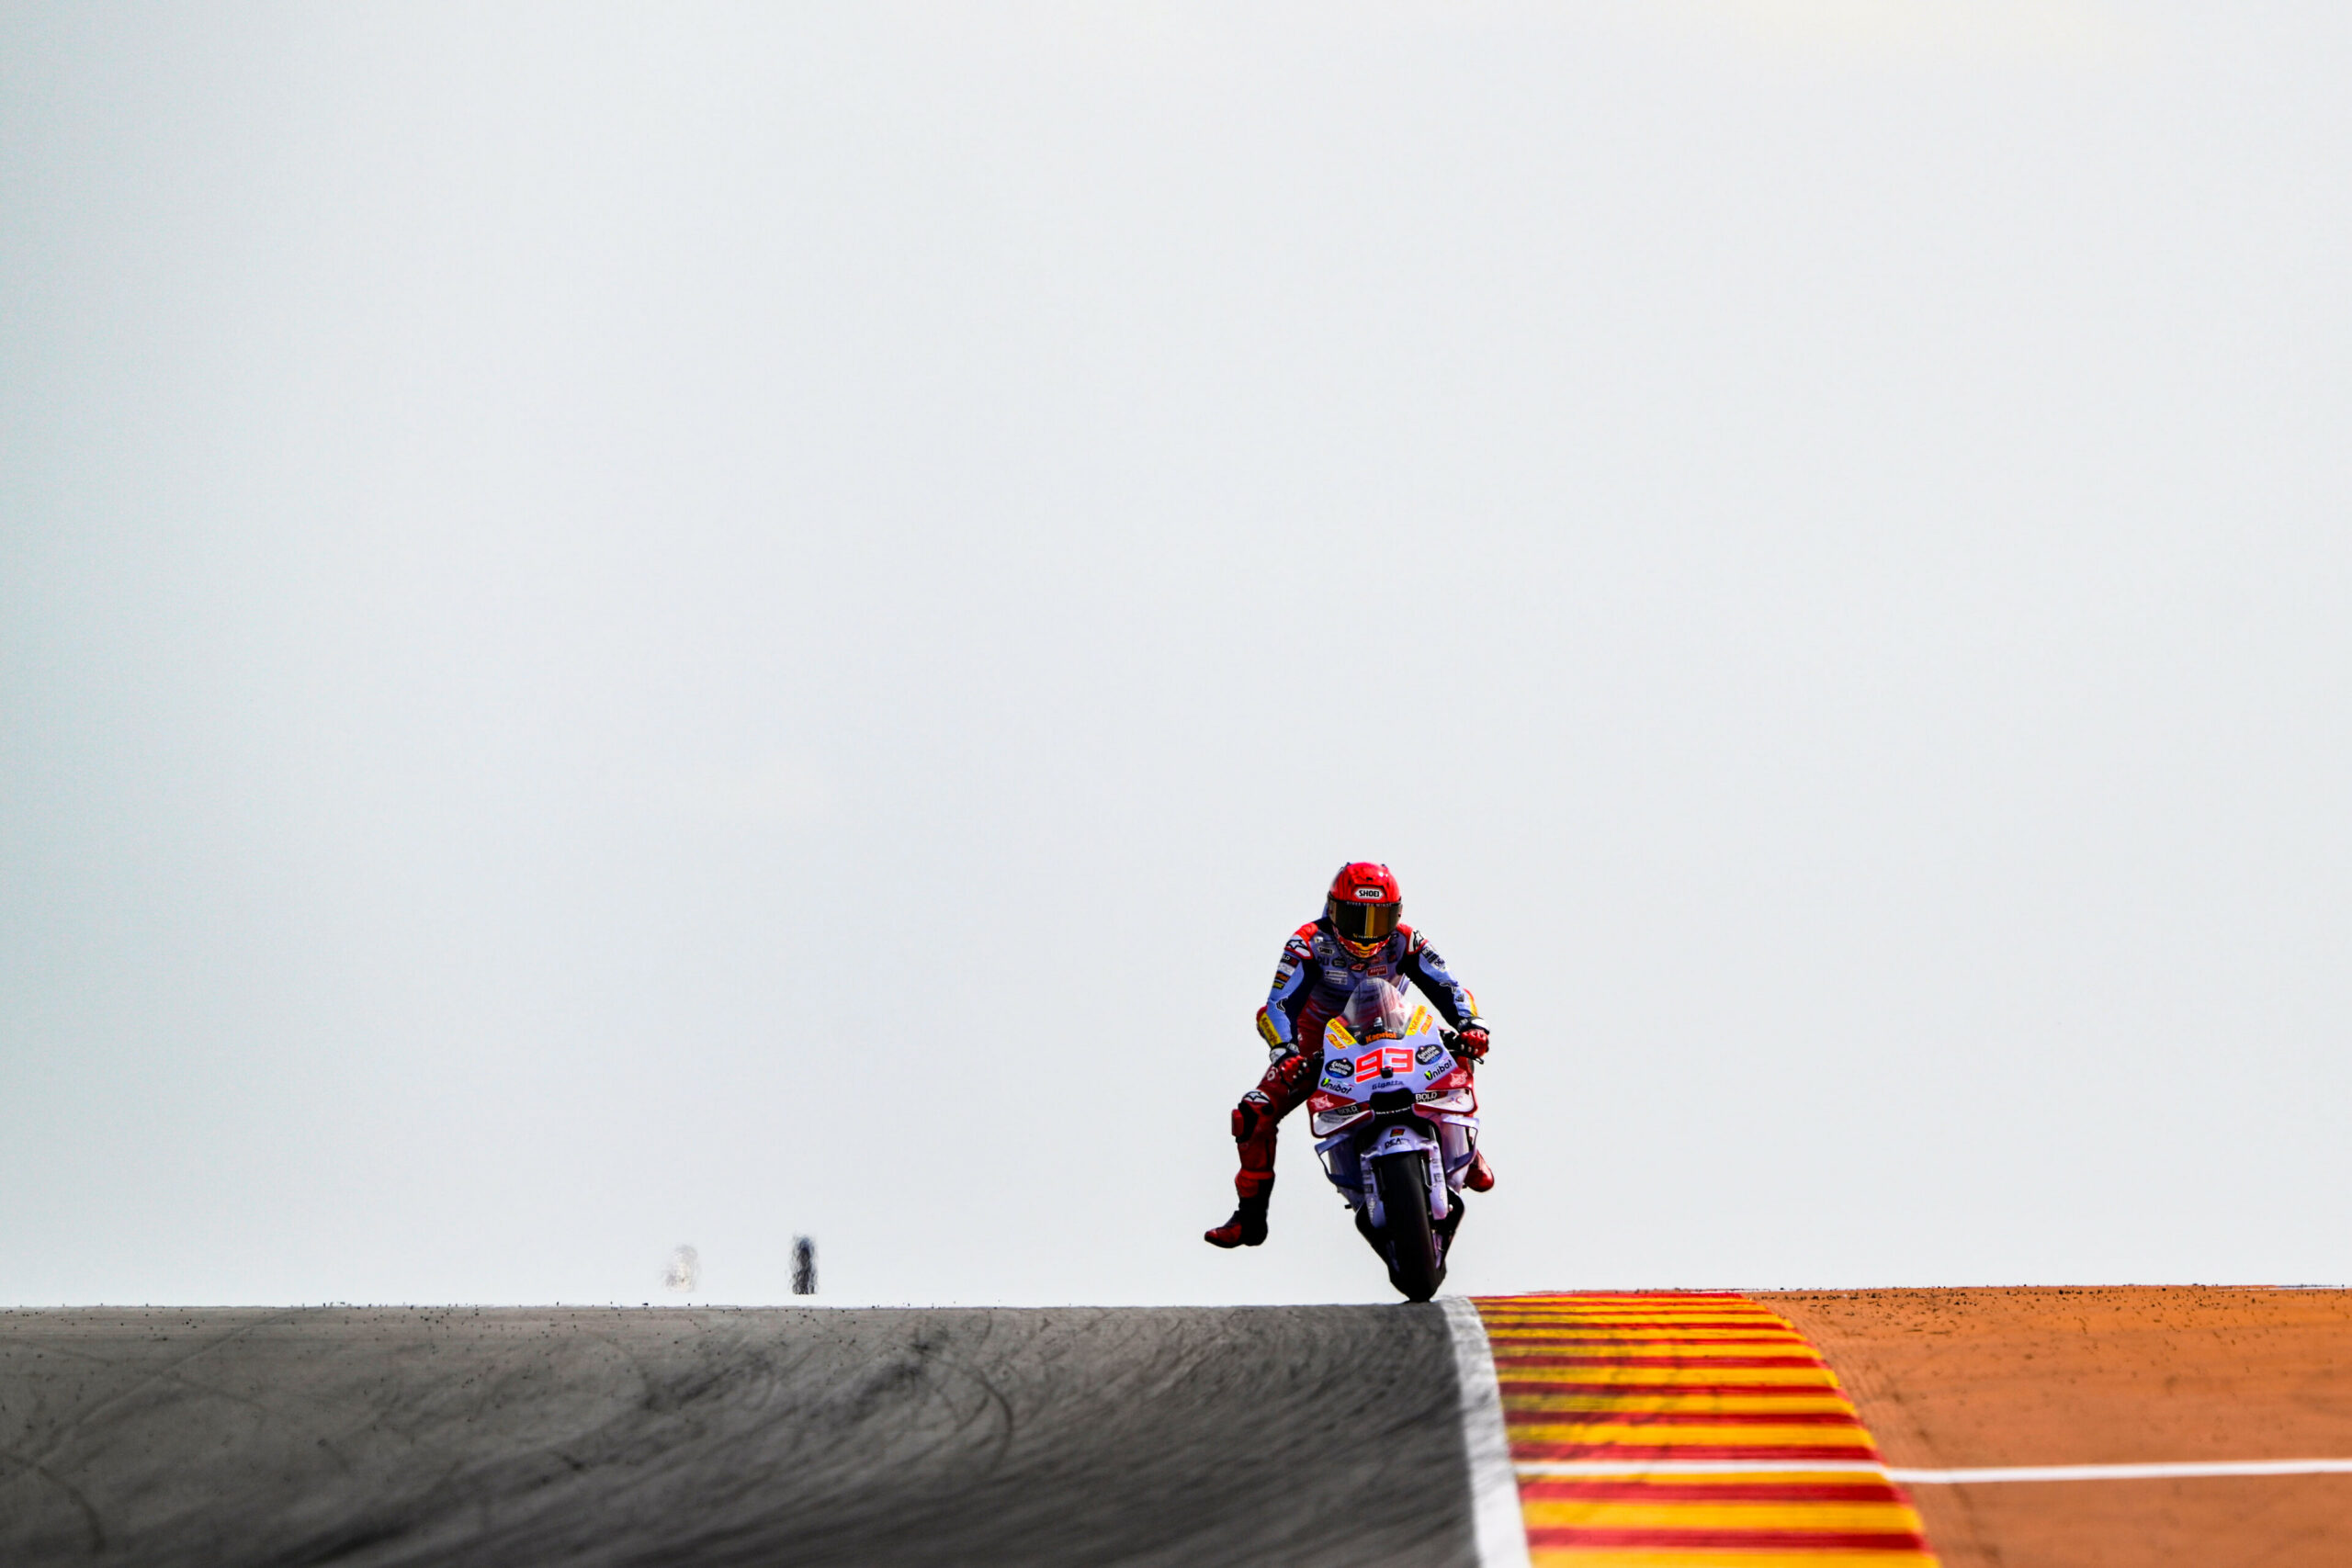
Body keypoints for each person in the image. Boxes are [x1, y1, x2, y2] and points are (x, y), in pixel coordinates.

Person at [1204, 862, 1493, 1248]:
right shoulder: (1308, 943)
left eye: (1379, 919)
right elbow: (1277, 1005)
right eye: (1357, 918)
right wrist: (1285, 1052)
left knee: (1458, 1048)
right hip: (1321, 1046)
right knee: (1253, 1112)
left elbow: (1449, 986)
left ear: (1397, 915)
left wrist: (1472, 1025)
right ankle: (1250, 1218)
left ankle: (1466, 1147)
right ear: (1333, 909)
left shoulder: (1407, 939)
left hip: (1396, 1030)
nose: (1366, 933)